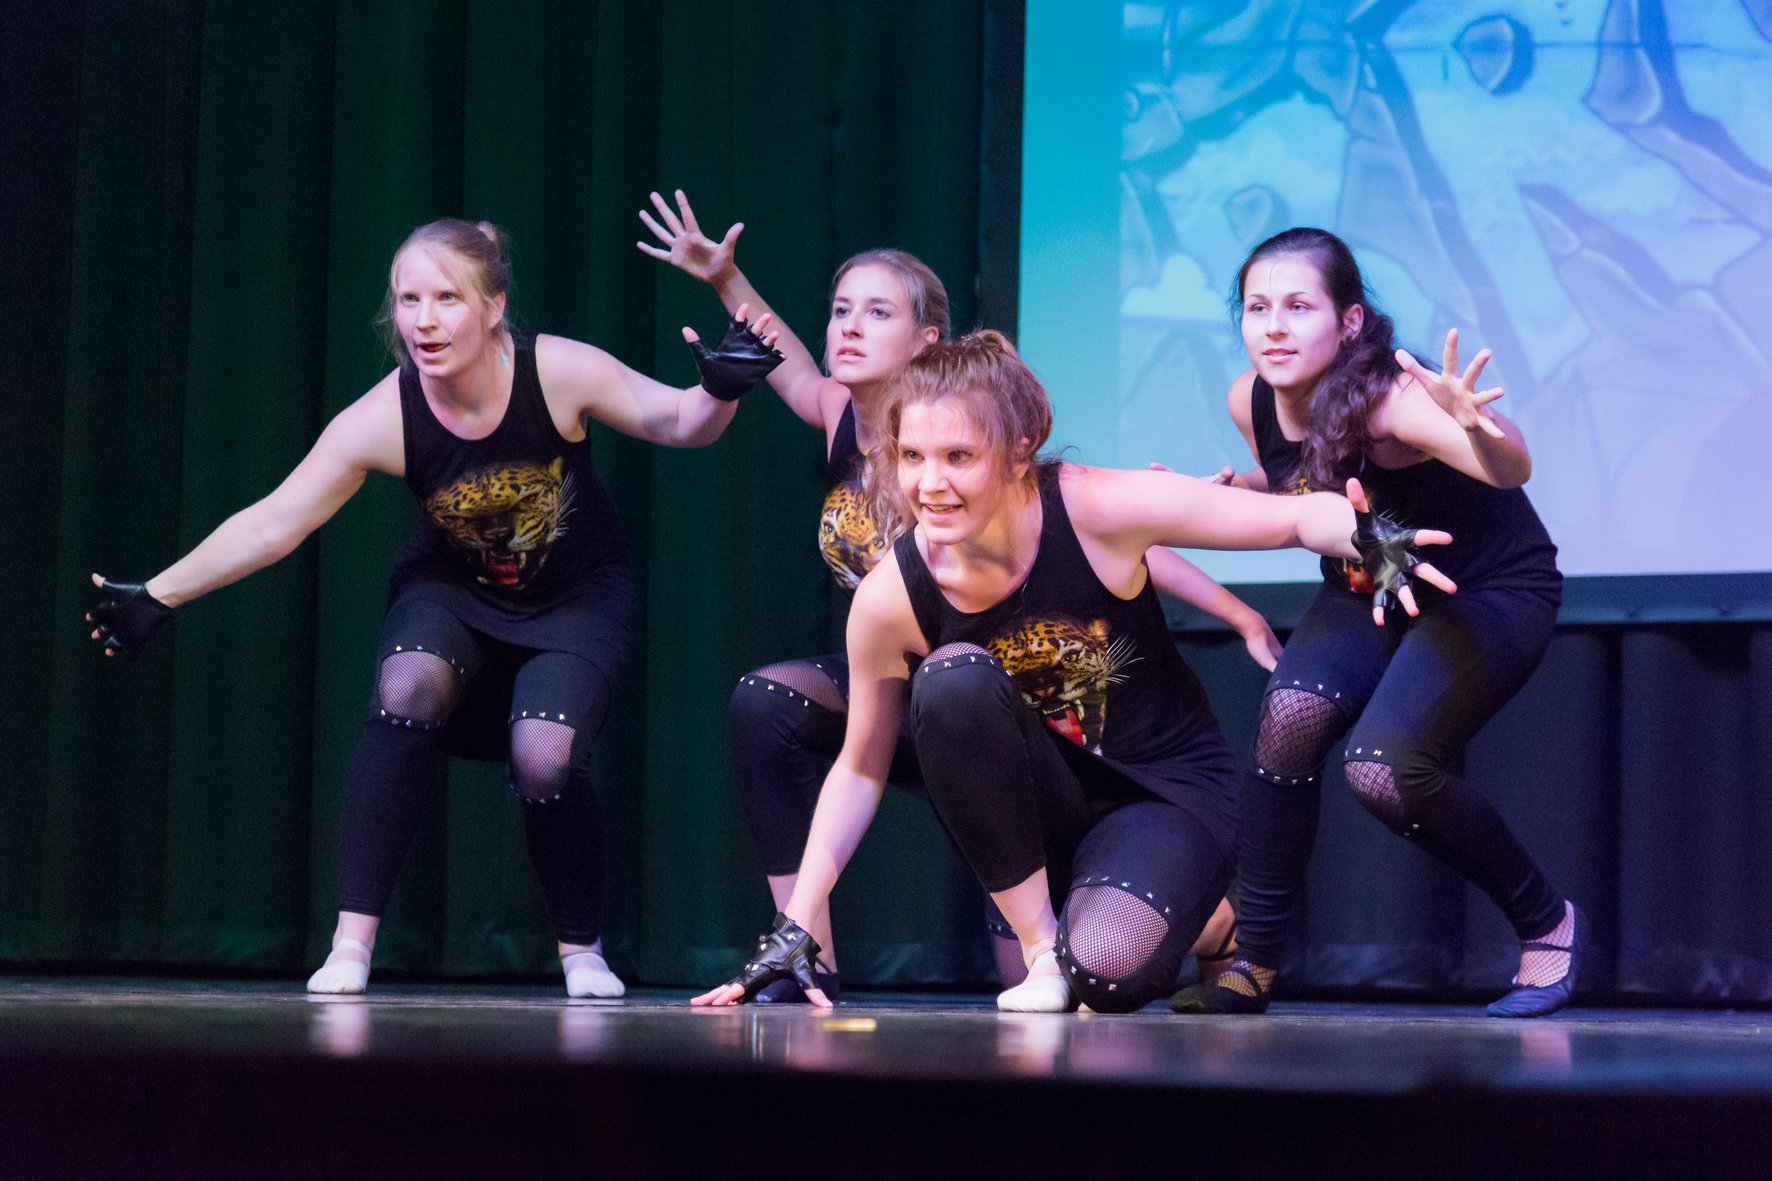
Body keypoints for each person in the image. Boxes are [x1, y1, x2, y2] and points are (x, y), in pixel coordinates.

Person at [88, 218, 782, 997]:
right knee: (407, 685)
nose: (424, 320)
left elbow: (681, 422)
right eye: (408, 300)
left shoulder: (557, 371)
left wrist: (722, 388)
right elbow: (275, 522)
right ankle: (351, 946)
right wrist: (160, 592)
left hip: (576, 597)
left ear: (493, 306)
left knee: (544, 757)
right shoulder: (385, 415)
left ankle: (581, 950)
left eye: (447, 298)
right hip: (452, 590)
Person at [692, 330, 1449, 1012]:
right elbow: (861, 766)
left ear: (1020, 450)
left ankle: (1214, 922)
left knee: (1109, 976)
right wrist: (798, 922)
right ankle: (1041, 950)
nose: (930, 483)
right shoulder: (891, 598)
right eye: (912, 457)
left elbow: (1294, 518)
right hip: (1035, 805)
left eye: (959, 457)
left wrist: (1366, 536)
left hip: (1161, 793)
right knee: (953, 675)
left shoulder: (1097, 508)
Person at [639, 192, 1268, 997]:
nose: (848, 328)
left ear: (927, 341)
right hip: (919, 689)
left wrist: (1236, 608)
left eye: (877, 312)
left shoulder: (980, 442)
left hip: (998, 700)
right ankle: (805, 946)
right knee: (767, 702)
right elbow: (780, 349)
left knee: (1076, 973)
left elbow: (1105, 543)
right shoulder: (838, 414)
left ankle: (1187, 917)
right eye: (840, 311)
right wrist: (726, 280)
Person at [1172, 226, 1580, 1019]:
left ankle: (1548, 922)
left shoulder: (1392, 401)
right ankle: (1253, 959)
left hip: (1485, 589)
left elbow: (1510, 469)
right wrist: (1231, 491)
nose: (1274, 327)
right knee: (1289, 719)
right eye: (1257, 308)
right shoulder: (1250, 398)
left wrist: (1474, 425)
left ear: (1350, 320)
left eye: (1299, 307)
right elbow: (1308, 481)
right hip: (1370, 584)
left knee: (1382, 770)